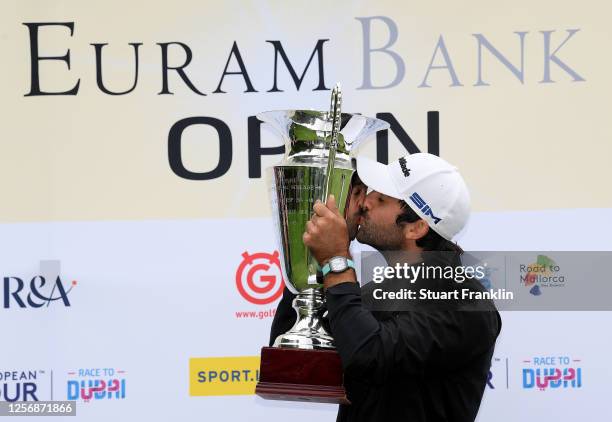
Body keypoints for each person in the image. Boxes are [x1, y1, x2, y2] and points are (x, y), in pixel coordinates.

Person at [271, 153, 501, 422]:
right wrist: (310, 260)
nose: (365, 203)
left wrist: (336, 259)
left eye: (381, 199)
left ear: (415, 228)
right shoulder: (373, 292)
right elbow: (292, 358)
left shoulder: (466, 304)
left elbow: (369, 356)